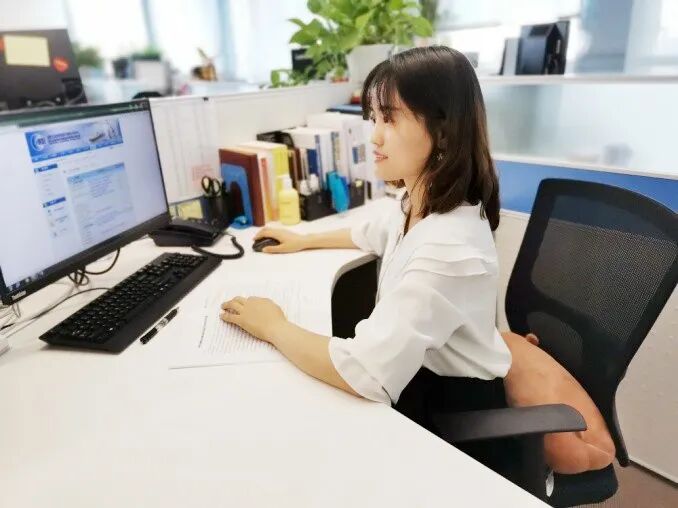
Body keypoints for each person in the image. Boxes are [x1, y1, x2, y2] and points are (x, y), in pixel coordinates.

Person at [220, 46, 512, 415]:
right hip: (417, 375)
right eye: (374, 118)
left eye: (389, 119)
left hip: (451, 412)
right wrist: (305, 240)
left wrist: (272, 326)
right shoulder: (418, 203)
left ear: (442, 133)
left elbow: (366, 372)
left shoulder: (450, 246)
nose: (374, 137)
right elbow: (374, 232)